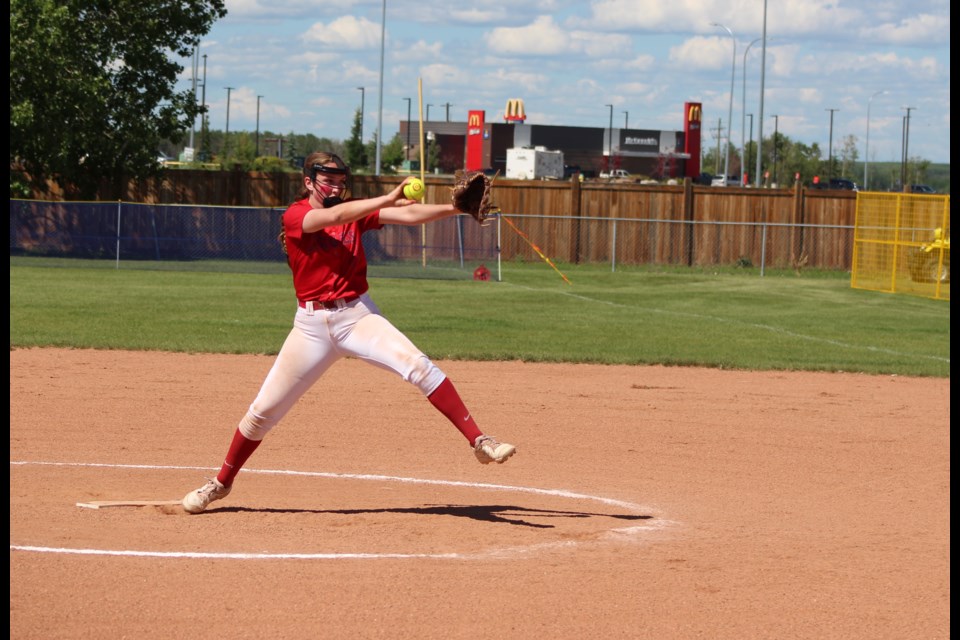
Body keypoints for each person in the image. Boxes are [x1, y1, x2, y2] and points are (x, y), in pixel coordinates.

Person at [182, 152, 516, 514]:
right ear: (308, 181)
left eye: (341, 180)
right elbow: (336, 216)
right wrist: (387, 197)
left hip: (357, 316)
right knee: (262, 412)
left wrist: (455, 209)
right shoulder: (297, 215)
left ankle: (480, 441)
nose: (337, 186)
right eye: (328, 179)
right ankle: (221, 483)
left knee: (418, 366)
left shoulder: (354, 210)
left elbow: (405, 214)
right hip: (310, 327)